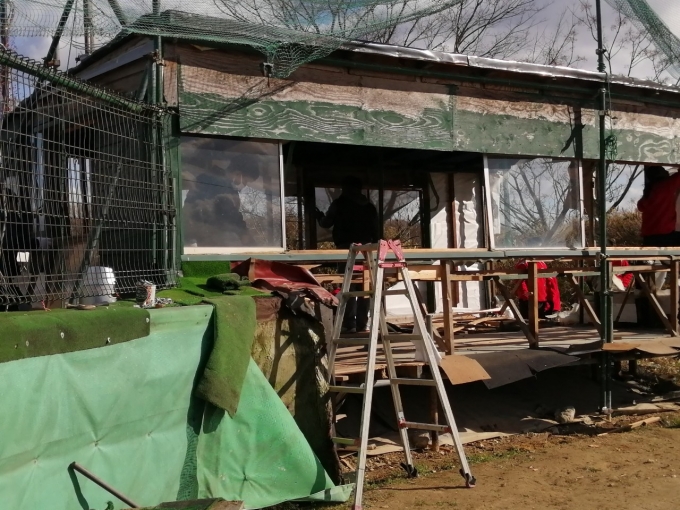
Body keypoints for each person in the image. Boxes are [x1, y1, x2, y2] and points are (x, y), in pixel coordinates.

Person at [316, 176, 379, 333]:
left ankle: (349, 323)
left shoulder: (340, 204)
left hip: (346, 249)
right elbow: (377, 232)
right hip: (366, 250)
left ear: (345, 189)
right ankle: (362, 323)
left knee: (347, 285)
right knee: (365, 285)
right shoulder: (369, 207)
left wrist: (318, 215)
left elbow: (326, 223)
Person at [184, 155, 259, 247]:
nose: (245, 185)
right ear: (238, 174)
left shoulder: (206, 178)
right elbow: (228, 212)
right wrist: (243, 232)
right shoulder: (220, 184)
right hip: (207, 232)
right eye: (246, 181)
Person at [637, 165, 680, 247]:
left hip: (649, 236)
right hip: (664, 233)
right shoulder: (666, 185)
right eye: (664, 170)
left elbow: (640, 206)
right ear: (660, 174)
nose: (667, 172)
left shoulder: (649, 190)